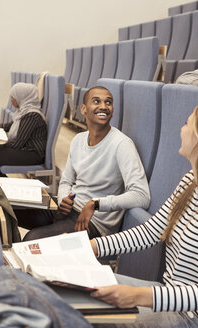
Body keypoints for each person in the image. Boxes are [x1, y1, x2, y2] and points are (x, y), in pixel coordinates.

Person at [89, 101, 198, 327]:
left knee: (85, 311)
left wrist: (137, 296)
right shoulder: (191, 181)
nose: (181, 129)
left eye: (187, 123)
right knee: (75, 285)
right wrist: (91, 246)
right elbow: (150, 233)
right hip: (173, 303)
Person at [21, 86, 150, 241]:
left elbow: (142, 196)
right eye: (96, 101)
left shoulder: (122, 144)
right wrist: (63, 198)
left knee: (32, 238)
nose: (103, 106)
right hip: (69, 209)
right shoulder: (78, 140)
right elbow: (67, 181)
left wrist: (96, 204)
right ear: (83, 109)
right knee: (12, 211)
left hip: (93, 222)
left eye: (108, 102)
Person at [0, 83, 47, 177]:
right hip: (25, 150)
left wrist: (1, 146)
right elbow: (9, 126)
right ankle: (0, 184)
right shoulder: (23, 112)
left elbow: (17, 143)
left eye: (13, 97)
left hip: (32, 154)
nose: (11, 100)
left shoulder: (31, 116)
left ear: (22, 97)